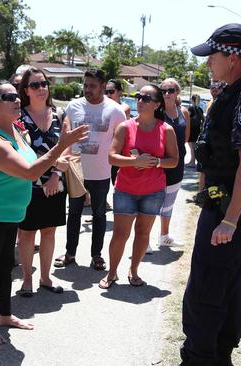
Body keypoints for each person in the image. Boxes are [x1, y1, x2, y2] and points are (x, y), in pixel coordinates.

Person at [0, 80, 88, 344]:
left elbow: (32, 164)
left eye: (16, 95)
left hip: (10, 213)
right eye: (10, 97)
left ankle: (5, 316)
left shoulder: (16, 131)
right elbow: (30, 172)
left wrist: (56, 164)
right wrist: (60, 146)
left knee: (6, 265)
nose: (17, 100)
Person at [182, 23, 241, 365]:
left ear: (233, 58)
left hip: (231, 208)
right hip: (230, 202)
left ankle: (199, 358)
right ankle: (219, 354)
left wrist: (231, 220)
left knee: (206, 287)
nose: (208, 63)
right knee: (225, 282)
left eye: (212, 57)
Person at [98, 85, 179, 289]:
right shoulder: (125, 127)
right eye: (138, 96)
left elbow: (174, 160)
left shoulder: (166, 130)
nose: (140, 100)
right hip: (126, 189)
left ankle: (134, 271)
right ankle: (112, 272)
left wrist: (156, 162)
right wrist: (135, 162)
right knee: (120, 234)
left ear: (157, 104)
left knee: (143, 233)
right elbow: (112, 157)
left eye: (146, 97)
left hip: (153, 191)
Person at [54, 69, 126, 271]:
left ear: (103, 86)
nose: (87, 89)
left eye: (92, 86)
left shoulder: (115, 110)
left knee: (99, 214)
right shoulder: (73, 106)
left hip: (101, 172)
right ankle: (70, 253)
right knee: (74, 213)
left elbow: (121, 141)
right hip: (76, 171)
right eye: (85, 85)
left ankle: (97, 255)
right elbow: (65, 135)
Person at [15, 68, 70, 297]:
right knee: (26, 233)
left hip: (55, 182)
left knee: (49, 232)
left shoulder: (59, 113)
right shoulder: (18, 116)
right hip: (28, 183)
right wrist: (42, 175)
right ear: (26, 90)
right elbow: (18, 149)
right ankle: (27, 279)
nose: (41, 88)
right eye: (35, 85)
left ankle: (46, 277)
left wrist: (56, 174)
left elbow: (67, 145)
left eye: (44, 84)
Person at [155, 78, 189, 249]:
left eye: (171, 90)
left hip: (178, 163)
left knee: (169, 202)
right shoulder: (156, 113)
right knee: (152, 201)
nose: (167, 94)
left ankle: (164, 236)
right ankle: (144, 241)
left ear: (177, 92)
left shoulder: (184, 111)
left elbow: (186, 137)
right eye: (163, 90)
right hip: (160, 163)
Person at [187, 94, 205, 167]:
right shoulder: (200, 109)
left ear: (192, 100)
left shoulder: (191, 108)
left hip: (191, 128)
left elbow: (187, 118)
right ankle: (192, 161)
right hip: (197, 128)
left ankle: (192, 162)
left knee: (192, 146)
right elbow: (203, 118)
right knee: (193, 146)